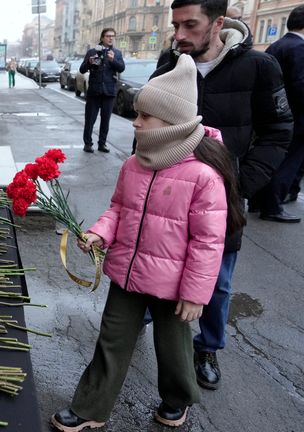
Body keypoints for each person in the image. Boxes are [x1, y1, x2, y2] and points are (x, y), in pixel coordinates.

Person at [51, 54, 245, 431]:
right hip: (127, 273)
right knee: (111, 340)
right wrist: (99, 232)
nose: (136, 122)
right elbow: (118, 210)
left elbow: (209, 242)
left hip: (174, 286)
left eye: (144, 117)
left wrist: (195, 293)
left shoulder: (203, 176)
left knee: (174, 350)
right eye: (137, 115)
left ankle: (178, 398)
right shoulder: (134, 164)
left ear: (171, 123)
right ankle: (91, 406)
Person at [151, 0, 293, 391]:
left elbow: (279, 130)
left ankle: (208, 347)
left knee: (216, 283)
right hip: (168, 197)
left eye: (190, 25)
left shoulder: (259, 67)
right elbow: (148, 129)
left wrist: (239, 184)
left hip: (225, 202)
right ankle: (150, 321)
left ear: (217, 23)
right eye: (175, 25)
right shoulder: (168, 67)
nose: (179, 35)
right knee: (158, 265)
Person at [249, 6, 304, 222]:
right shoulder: (299, 49)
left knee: (269, 159)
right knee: (287, 163)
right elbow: (301, 86)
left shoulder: (275, 46)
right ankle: (272, 207)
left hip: (269, 116)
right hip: (295, 120)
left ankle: (256, 201)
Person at [80, 28, 125, 153]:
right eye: (108, 36)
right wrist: (89, 62)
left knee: (105, 120)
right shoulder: (92, 52)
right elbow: (82, 69)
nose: (111, 38)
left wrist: (112, 60)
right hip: (94, 91)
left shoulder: (117, 53)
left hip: (109, 92)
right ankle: (88, 144)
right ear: (102, 38)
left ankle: (102, 144)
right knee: (90, 119)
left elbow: (121, 68)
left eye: (113, 36)